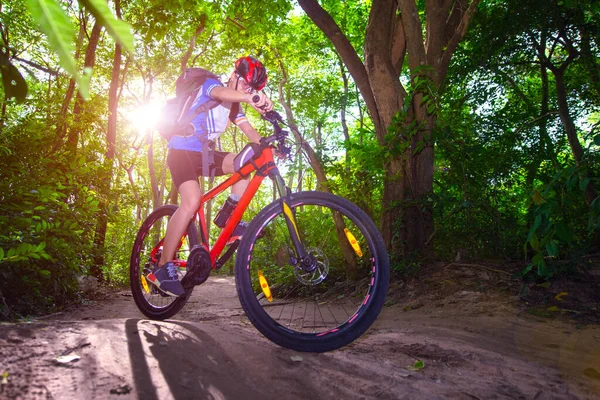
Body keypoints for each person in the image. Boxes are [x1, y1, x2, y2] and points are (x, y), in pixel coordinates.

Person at [147, 56, 273, 297]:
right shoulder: (210, 85)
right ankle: (162, 267)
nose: (248, 91)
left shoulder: (235, 107)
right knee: (192, 200)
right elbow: (222, 94)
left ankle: (228, 218)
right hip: (181, 152)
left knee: (248, 161)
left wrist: (270, 146)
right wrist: (249, 97)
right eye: (246, 85)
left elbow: (249, 131)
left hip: (204, 155)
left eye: (253, 89)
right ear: (234, 76)